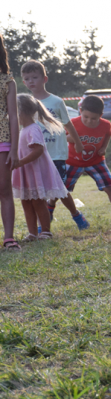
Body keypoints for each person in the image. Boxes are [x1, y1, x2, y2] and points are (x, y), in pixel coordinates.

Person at [20, 60, 89, 230]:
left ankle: (76, 215)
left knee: (60, 189)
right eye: (27, 78)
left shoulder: (56, 101)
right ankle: (42, 226)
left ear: (45, 79)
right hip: (34, 156)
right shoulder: (23, 102)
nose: (30, 81)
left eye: (34, 77)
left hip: (56, 154)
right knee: (38, 193)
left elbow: (68, 124)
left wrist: (78, 144)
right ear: (23, 82)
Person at [63, 95, 111, 226]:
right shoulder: (72, 123)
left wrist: (104, 148)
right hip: (73, 162)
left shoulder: (106, 125)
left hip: (96, 161)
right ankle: (49, 210)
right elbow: (61, 136)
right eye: (86, 117)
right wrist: (72, 139)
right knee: (60, 191)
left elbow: (108, 134)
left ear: (101, 115)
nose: (89, 121)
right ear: (80, 111)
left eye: (94, 118)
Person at [12, 94, 69, 241]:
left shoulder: (33, 129)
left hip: (34, 171)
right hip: (26, 172)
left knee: (38, 201)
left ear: (20, 112)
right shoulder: (22, 130)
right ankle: (32, 233)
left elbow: (38, 150)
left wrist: (20, 162)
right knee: (26, 202)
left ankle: (45, 231)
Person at [0, 34, 20, 251]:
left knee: (4, 189)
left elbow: (13, 116)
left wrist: (14, 149)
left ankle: (8, 237)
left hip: (3, 140)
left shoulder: (8, 81)